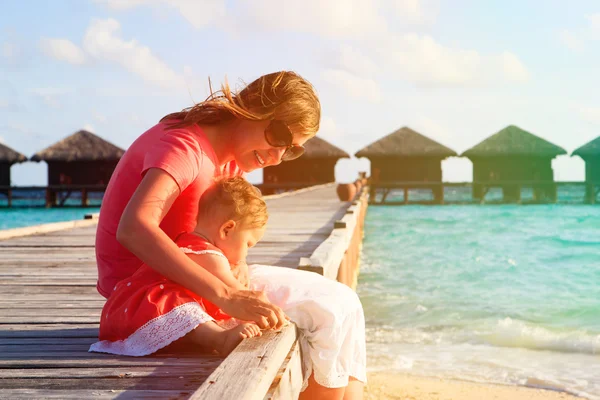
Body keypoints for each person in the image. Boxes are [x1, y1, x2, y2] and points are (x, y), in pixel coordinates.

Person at [94, 71, 365, 399]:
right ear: (252, 107)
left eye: (293, 150)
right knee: (332, 309)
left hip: (190, 278)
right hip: (150, 293)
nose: (279, 156)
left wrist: (236, 270)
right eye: (279, 136)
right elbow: (134, 228)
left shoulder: (229, 161)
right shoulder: (185, 147)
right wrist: (225, 294)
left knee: (344, 303)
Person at [90, 177, 268, 357]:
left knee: (188, 305)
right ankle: (219, 338)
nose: (246, 254)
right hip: (144, 310)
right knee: (178, 302)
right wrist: (268, 312)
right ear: (227, 230)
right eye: (248, 244)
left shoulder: (188, 241)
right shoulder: (209, 256)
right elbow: (238, 294)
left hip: (131, 314)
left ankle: (199, 336)